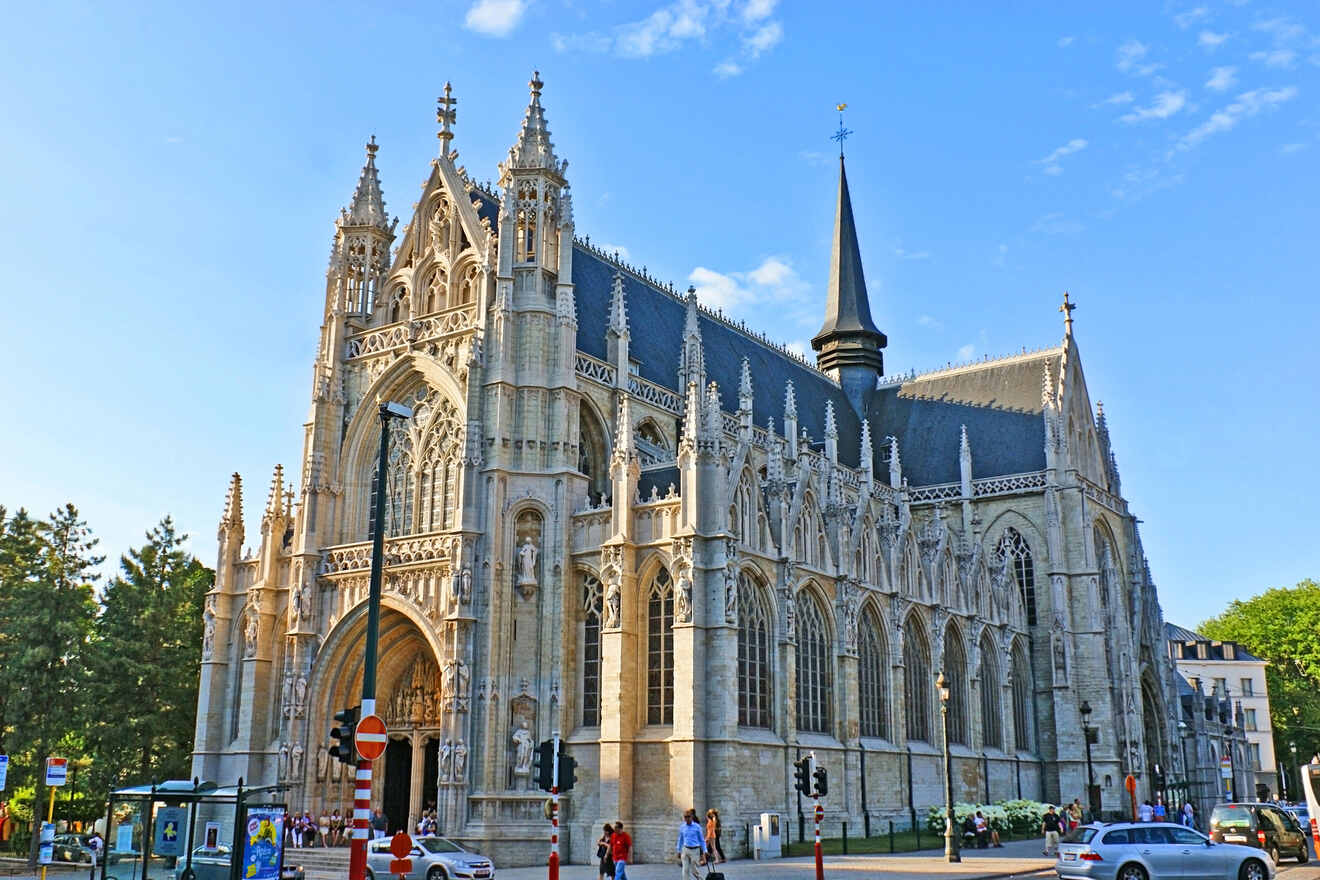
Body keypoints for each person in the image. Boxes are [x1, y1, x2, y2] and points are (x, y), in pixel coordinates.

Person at [677, 809, 705, 880]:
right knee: (685, 869)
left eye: (688, 816)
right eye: (685, 817)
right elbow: (680, 839)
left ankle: (700, 879)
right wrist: (678, 850)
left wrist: (705, 850)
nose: (687, 818)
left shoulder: (697, 827)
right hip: (685, 849)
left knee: (694, 870)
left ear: (692, 817)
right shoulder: (682, 827)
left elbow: (701, 840)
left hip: (695, 850)